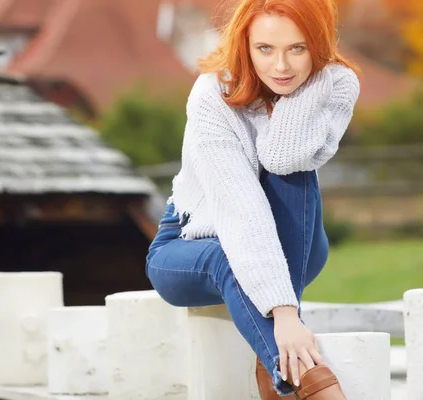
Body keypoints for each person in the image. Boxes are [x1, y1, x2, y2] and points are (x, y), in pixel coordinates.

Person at [145, 0, 360, 397]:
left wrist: (308, 85)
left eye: (297, 48)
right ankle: (313, 384)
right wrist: (284, 313)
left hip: (294, 243)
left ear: (319, 44)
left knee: (293, 170)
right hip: (189, 243)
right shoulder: (213, 94)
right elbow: (240, 209)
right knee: (227, 257)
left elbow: (284, 156)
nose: (281, 66)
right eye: (265, 49)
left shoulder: (335, 83)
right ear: (244, 44)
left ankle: (274, 355)